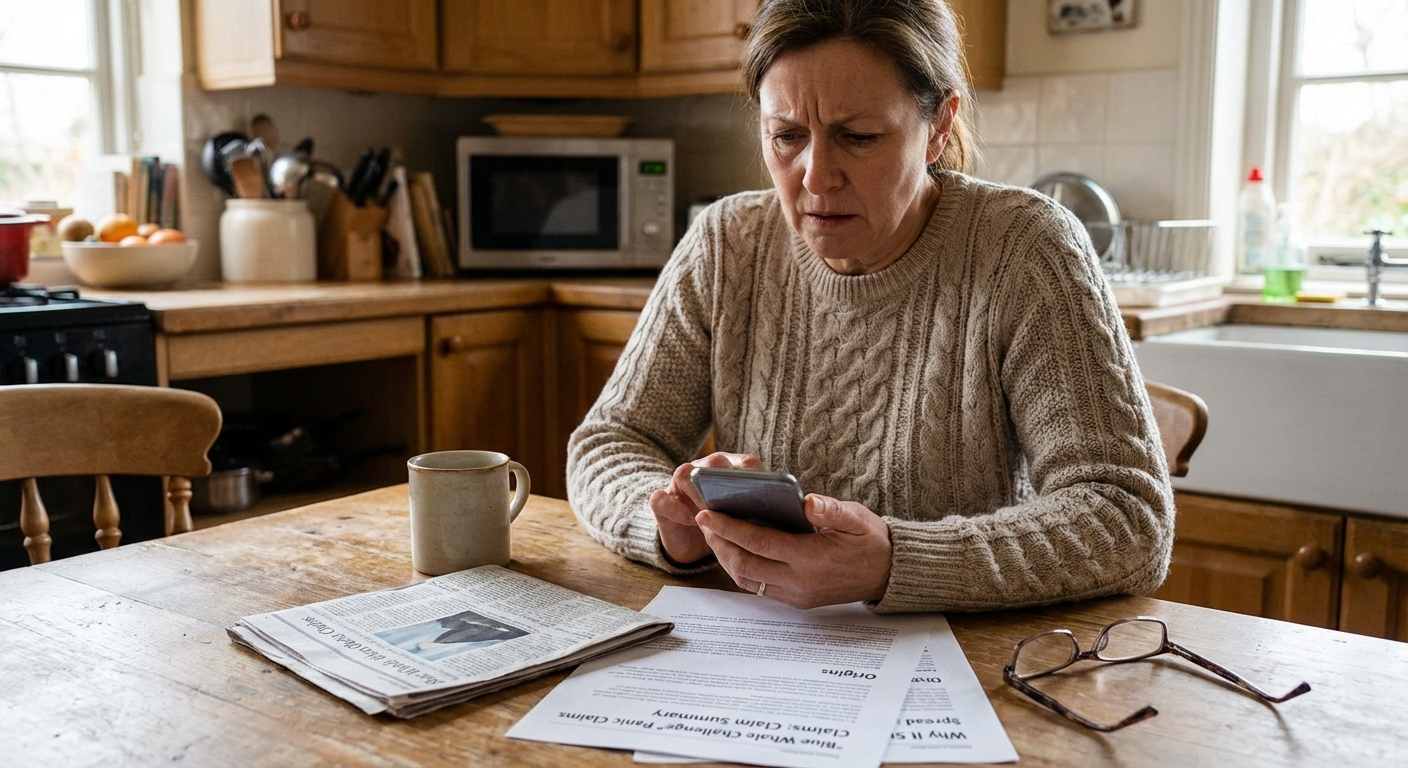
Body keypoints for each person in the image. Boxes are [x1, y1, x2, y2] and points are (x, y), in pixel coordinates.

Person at [566, 0, 1173, 614]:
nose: (816, 176)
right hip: (760, 648)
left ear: (938, 126)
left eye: (858, 138)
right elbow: (610, 441)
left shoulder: (1025, 250)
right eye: (787, 136)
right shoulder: (728, 245)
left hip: (971, 661)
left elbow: (1126, 515)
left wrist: (897, 563)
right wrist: (666, 525)